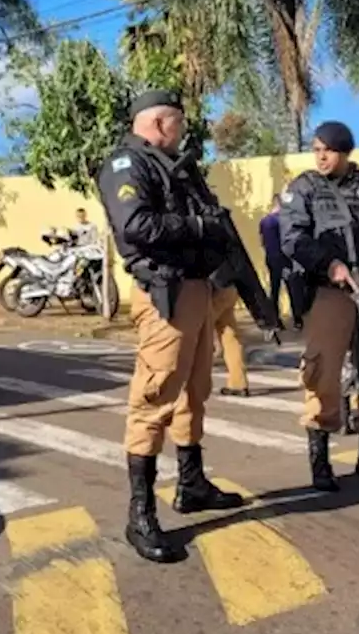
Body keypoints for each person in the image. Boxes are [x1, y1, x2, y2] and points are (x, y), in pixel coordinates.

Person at [97, 89, 244, 564]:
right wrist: (200, 228)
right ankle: (140, 515)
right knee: (154, 398)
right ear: (159, 122)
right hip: (166, 293)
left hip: (198, 290)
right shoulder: (127, 166)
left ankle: (191, 483)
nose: (182, 129)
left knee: (194, 390)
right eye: (177, 121)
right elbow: (138, 225)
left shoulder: (176, 166)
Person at [279, 120, 359, 492]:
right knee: (323, 372)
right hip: (329, 292)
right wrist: (328, 264)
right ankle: (320, 462)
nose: (320, 156)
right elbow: (293, 238)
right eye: (316, 149)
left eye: (328, 150)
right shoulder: (304, 188)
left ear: (345, 152)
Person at [260, 195, 303, 329]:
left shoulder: (264, 221)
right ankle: (297, 319)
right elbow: (287, 240)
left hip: (270, 258)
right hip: (284, 259)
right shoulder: (283, 220)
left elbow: (262, 241)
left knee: (274, 289)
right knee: (292, 288)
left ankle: (275, 321)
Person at [212, 282, 251, 397]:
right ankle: (238, 382)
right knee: (230, 335)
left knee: (199, 334)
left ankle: (190, 386)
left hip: (212, 289)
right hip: (230, 287)